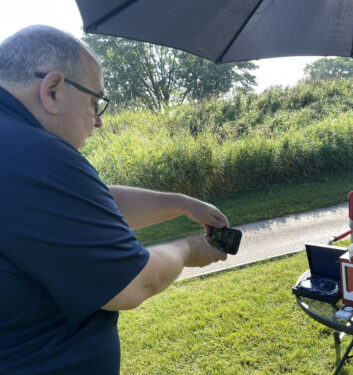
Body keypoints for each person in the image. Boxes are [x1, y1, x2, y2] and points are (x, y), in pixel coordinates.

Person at [0, 25, 229, 375]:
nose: (99, 121)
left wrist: (182, 203)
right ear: (53, 90)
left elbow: (83, 209)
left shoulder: (14, 148)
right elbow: (132, 283)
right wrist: (189, 248)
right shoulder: (36, 155)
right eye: (95, 102)